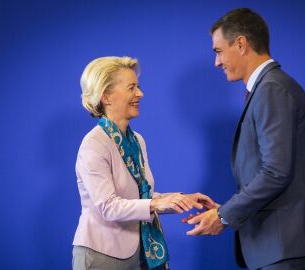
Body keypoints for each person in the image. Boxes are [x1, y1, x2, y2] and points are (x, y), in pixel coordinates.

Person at [186, 8, 305, 270]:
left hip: (283, 244)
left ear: (241, 43)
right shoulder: (267, 87)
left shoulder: (272, 89)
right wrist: (227, 208)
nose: (217, 62)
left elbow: (276, 171)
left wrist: (224, 215)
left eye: (218, 51)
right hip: (276, 244)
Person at [72, 56, 216, 270]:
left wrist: (181, 200)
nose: (141, 94)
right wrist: (157, 204)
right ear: (106, 96)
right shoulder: (94, 143)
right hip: (102, 255)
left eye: (138, 87)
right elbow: (107, 206)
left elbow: (141, 198)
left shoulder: (137, 140)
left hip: (140, 254)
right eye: (132, 88)